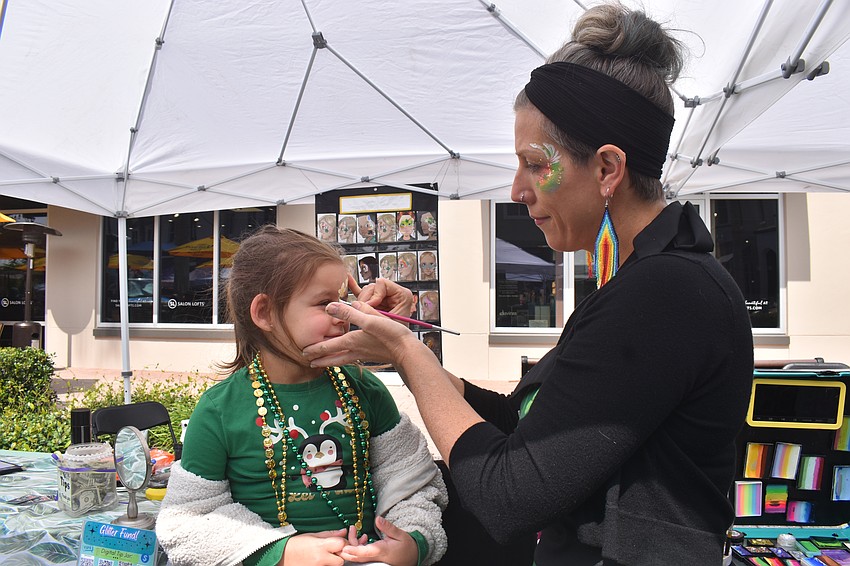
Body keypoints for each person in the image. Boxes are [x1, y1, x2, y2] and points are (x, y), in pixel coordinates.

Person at [303, 4, 754, 565]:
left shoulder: (667, 294)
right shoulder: (650, 280)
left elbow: (508, 493)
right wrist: (404, 352)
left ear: (608, 169)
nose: (517, 189)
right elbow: (526, 423)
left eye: (535, 165)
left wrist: (407, 352)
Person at [156, 226, 448, 566]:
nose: (344, 315)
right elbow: (187, 521)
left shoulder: (365, 388)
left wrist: (413, 542)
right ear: (264, 313)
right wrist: (281, 552)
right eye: (326, 303)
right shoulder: (219, 410)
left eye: (344, 302)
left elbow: (410, 479)